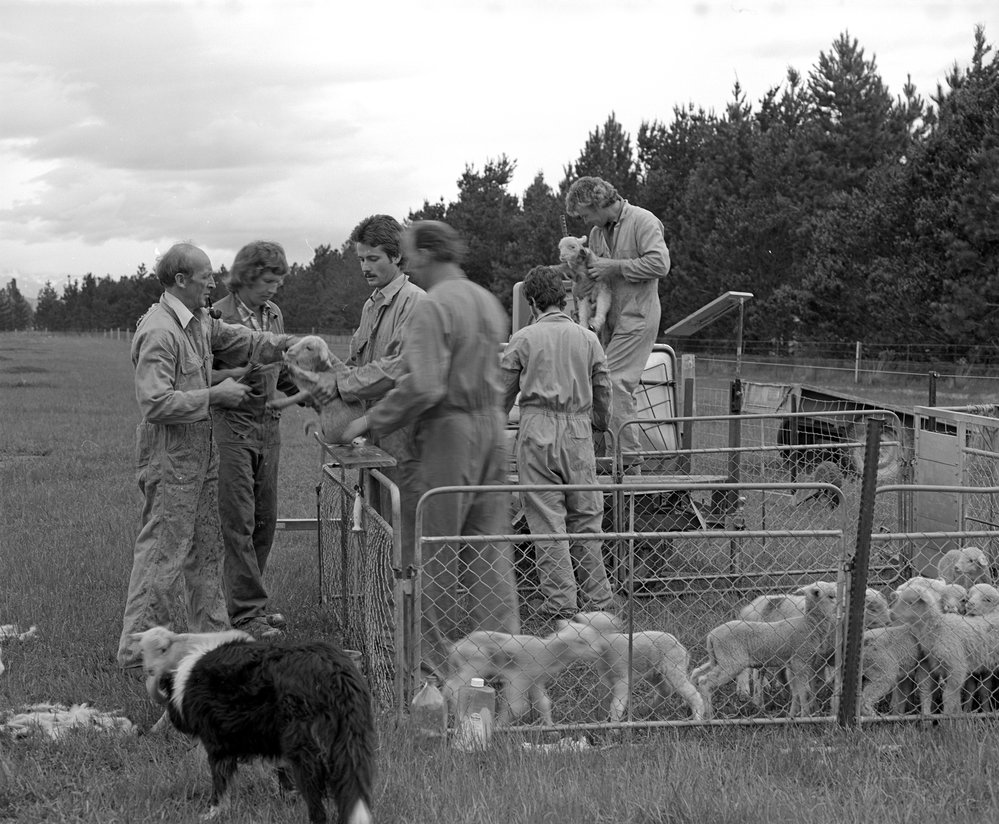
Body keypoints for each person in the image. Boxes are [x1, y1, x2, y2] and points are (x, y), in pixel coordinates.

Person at [341, 220, 520, 678]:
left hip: (449, 433)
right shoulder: (486, 299)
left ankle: (435, 674)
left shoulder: (433, 306)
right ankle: (502, 664)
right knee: (490, 553)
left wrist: (368, 420)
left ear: (422, 254)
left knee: (432, 554)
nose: (409, 262)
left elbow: (422, 386)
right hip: (493, 429)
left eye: (410, 253)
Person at [116, 242, 295, 674]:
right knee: (163, 553)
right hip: (171, 459)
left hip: (201, 455)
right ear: (181, 280)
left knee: (208, 549)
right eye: (205, 276)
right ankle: (137, 651)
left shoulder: (197, 322)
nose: (214, 282)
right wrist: (216, 394)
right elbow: (154, 402)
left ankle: (213, 634)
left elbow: (239, 338)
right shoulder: (161, 331)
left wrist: (287, 342)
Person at [500, 265, 615, 618]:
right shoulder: (588, 338)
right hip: (579, 430)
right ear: (564, 298)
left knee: (548, 519)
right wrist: (598, 422)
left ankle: (561, 604)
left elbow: (501, 394)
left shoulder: (523, 339)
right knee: (586, 516)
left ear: (532, 301)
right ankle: (599, 601)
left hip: (537, 430)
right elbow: (603, 388)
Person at [314, 215, 425, 569]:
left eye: (373, 258)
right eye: (361, 259)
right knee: (376, 522)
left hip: (404, 433)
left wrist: (342, 385)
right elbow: (359, 364)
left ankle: (404, 612)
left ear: (397, 257)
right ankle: (378, 610)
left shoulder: (415, 303)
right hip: (372, 433)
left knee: (402, 525)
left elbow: (398, 369)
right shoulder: (370, 304)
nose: (365, 266)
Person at [210, 241, 299, 639]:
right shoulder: (217, 316)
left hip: (270, 426)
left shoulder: (273, 314)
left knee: (265, 522)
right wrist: (234, 377)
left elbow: (281, 370)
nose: (274, 288)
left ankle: (249, 605)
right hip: (231, 428)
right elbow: (195, 375)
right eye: (268, 280)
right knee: (239, 523)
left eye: (279, 281)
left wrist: (313, 390)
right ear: (246, 276)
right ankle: (247, 615)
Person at [565, 176, 671, 471]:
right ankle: (607, 461)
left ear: (597, 202)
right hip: (607, 322)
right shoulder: (597, 234)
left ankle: (628, 467)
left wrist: (613, 267)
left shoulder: (643, 221)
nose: (585, 220)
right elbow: (594, 274)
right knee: (601, 385)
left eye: (585, 213)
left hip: (637, 317)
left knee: (613, 383)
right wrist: (580, 282)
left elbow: (661, 264)